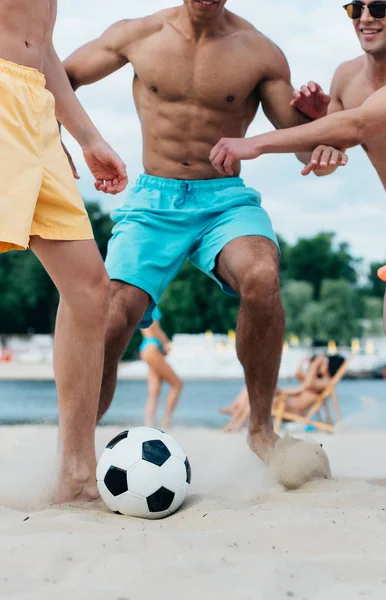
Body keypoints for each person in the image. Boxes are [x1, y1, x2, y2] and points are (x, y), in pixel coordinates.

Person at [63, 0, 329, 462]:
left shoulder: (259, 51)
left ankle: (261, 431)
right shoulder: (137, 33)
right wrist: (66, 144)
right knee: (112, 315)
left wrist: (317, 122)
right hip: (153, 201)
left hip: (224, 200)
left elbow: (308, 154)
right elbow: (58, 79)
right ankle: (77, 451)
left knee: (261, 276)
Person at [210, 1, 386, 375]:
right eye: (355, 8)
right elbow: (322, 159)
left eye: (378, 7)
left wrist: (257, 142)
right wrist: (316, 123)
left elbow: (357, 125)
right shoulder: (346, 79)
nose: (364, 18)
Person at [0, 0, 128, 503]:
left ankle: (77, 476)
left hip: (33, 106)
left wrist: (88, 136)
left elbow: (44, 45)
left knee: (90, 291)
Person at [220, 354, 345, 431]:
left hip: (291, 408)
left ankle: (238, 421)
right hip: (287, 402)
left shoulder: (326, 383)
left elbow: (308, 383)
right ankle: (235, 415)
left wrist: (315, 364)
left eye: (324, 364)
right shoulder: (318, 380)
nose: (321, 366)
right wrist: (304, 361)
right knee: (252, 387)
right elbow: (298, 374)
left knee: (258, 395)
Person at [139, 307, 183, 429]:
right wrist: (165, 344)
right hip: (152, 347)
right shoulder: (152, 306)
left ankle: (149, 424)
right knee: (177, 384)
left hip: (147, 347)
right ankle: (166, 421)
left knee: (154, 391)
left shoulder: (143, 306)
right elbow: (154, 328)